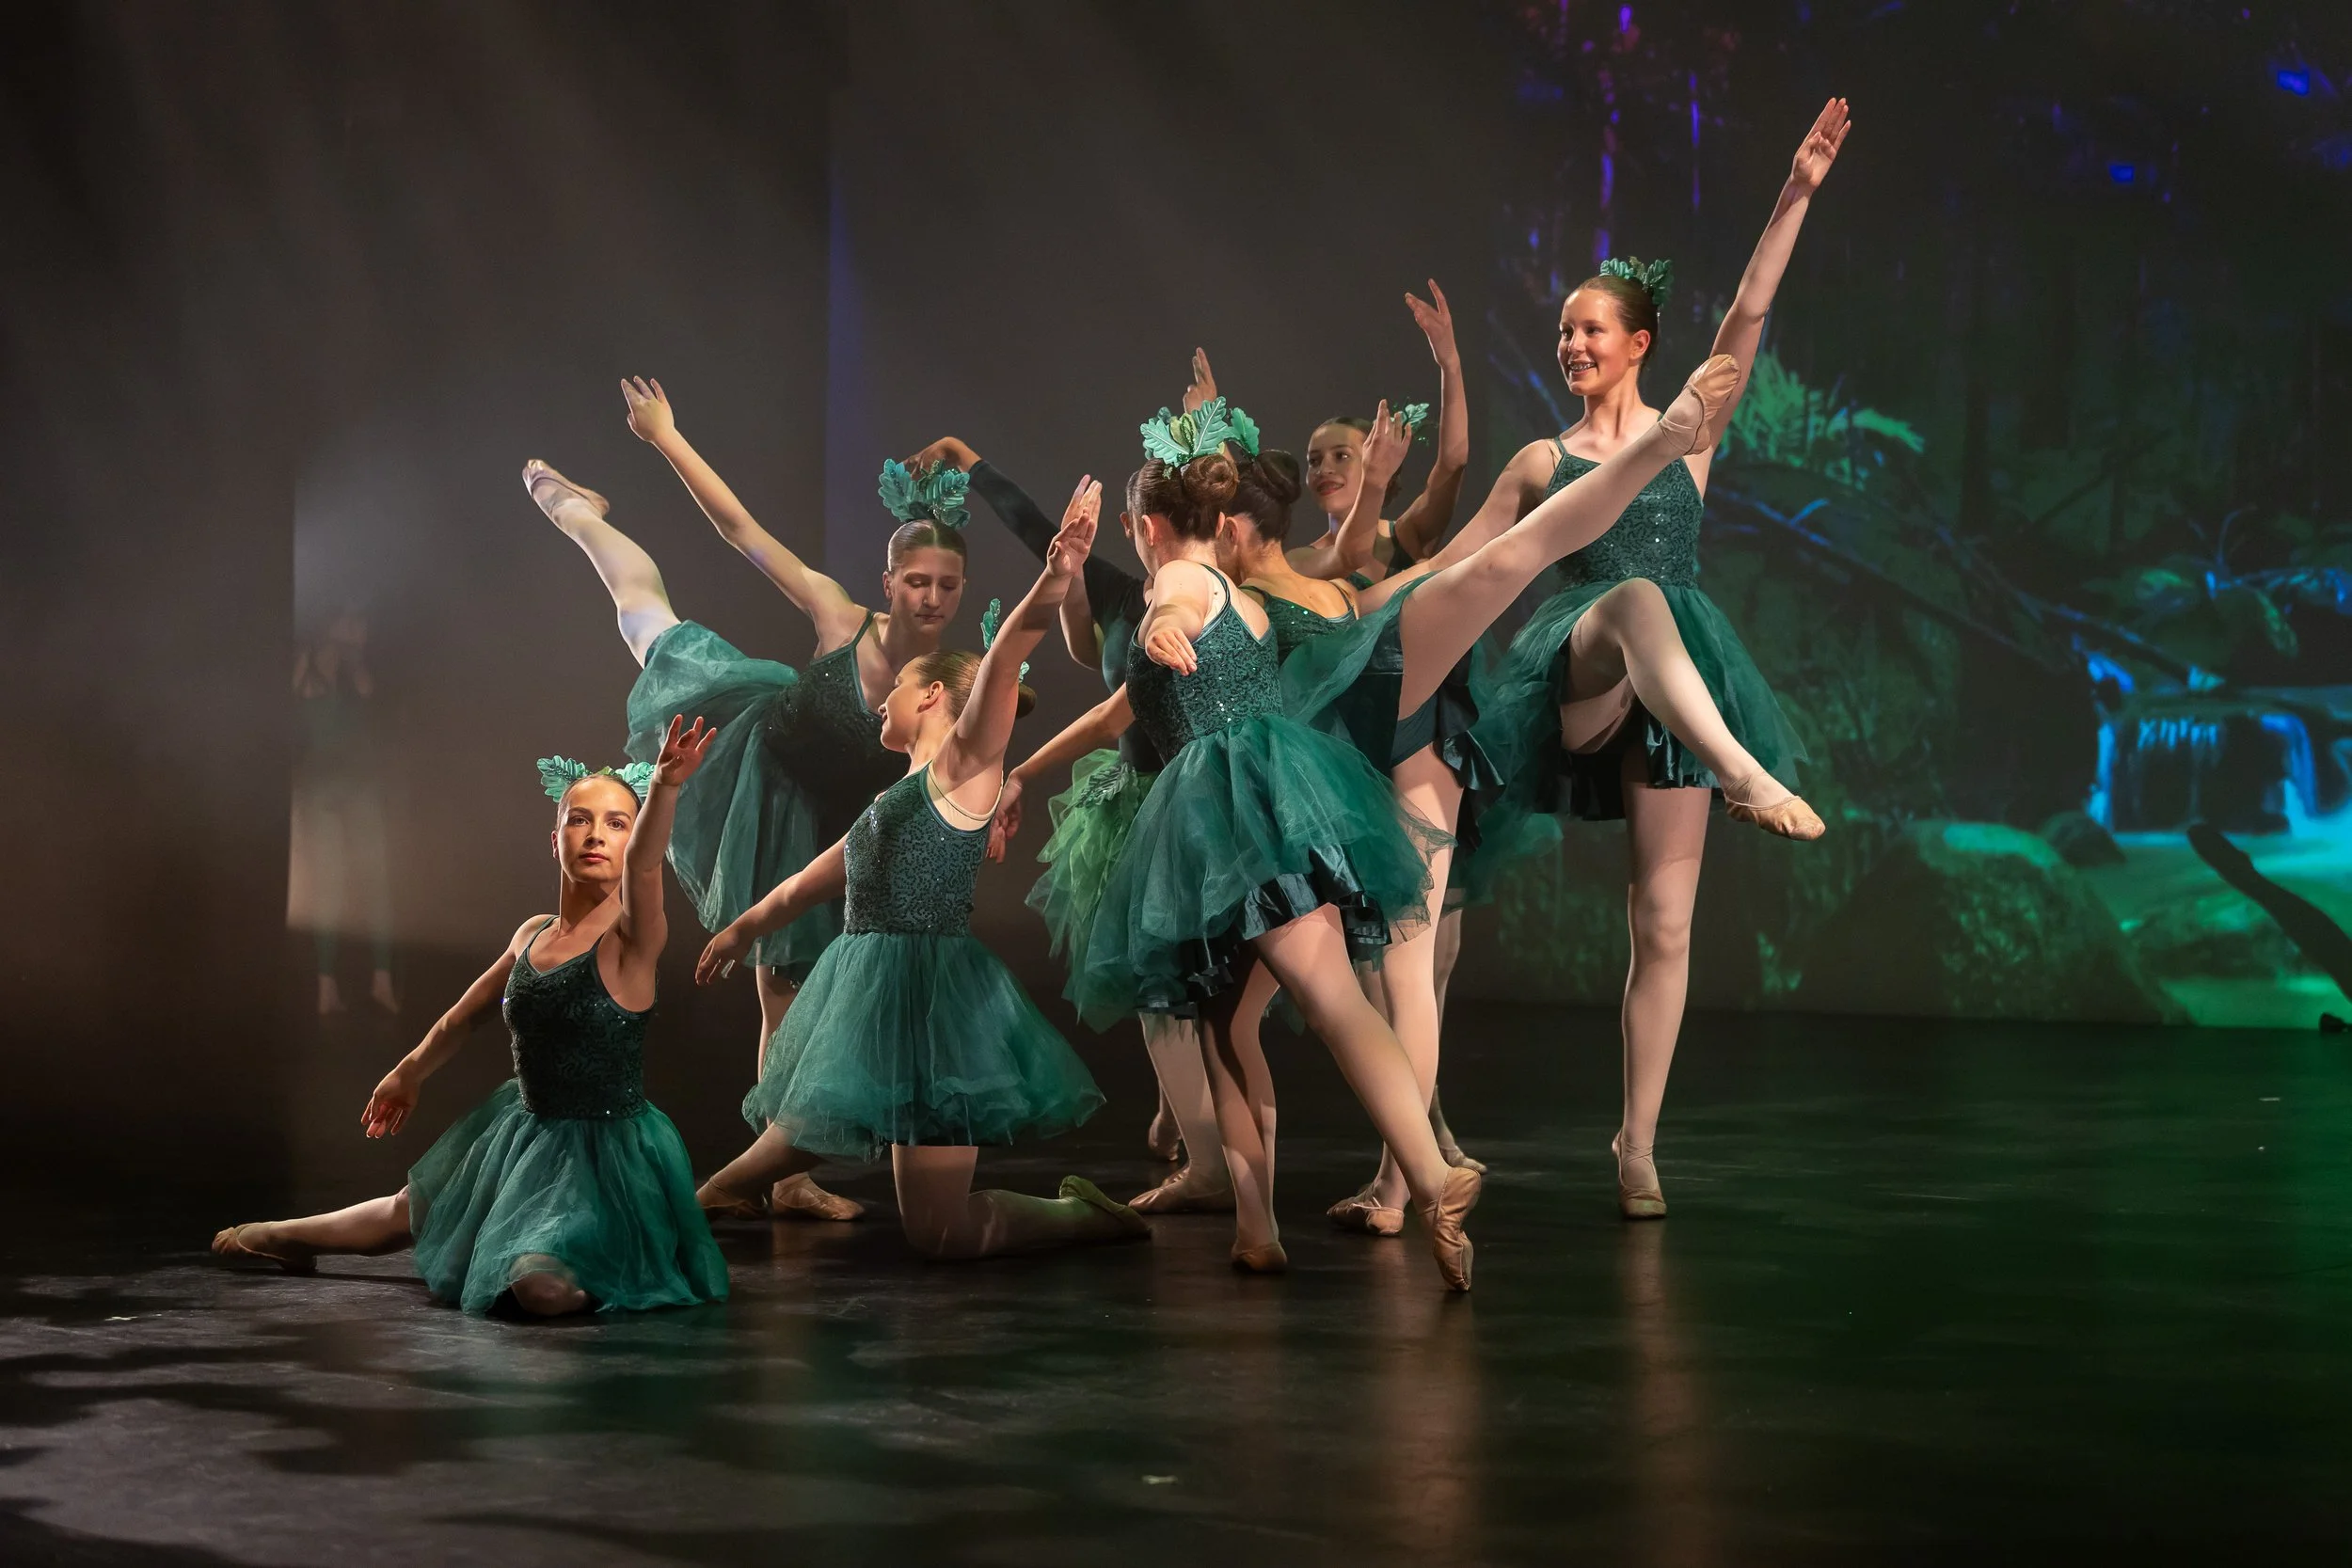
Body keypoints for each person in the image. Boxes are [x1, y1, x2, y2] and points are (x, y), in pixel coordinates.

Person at [1449, 99, 1853, 1218]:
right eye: (1563, 329)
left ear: (1640, 345)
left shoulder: (1689, 436)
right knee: (1628, 593)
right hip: (1575, 669)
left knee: (1664, 922)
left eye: (1593, 329)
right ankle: (1745, 774)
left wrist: (1795, 192)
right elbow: (1461, 569)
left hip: (1676, 684)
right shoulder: (1542, 457)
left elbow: (1748, 315)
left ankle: (1636, 1143)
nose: (1572, 343)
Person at [526, 376, 973, 1220]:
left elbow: (973, 747)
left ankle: (781, 1167)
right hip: (755, 759)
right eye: (917, 581)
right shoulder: (843, 617)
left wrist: (1008, 788)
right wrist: (664, 433)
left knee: (798, 987)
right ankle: (574, 511)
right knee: (643, 615)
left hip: (834, 816)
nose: (932, 600)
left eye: (947, 587)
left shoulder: (945, 677)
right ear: (889, 580)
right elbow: (741, 531)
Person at [691, 483, 1148, 1261]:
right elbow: (812, 880)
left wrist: (1059, 572)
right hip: (872, 988)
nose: (881, 703)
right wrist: (740, 928)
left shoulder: (964, 768)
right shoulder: (891, 796)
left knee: (944, 1234)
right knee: (831, 1137)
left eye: (898, 690)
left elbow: (1006, 654)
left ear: (933, 693)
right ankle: (720, 1188)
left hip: (937, 1006)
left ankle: (1088, 1217)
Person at [212, 719, 731, 1317]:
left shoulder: (631, 939)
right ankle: (282, 1236)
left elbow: (644, 870)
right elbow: (462, 1018)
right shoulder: (532, 934)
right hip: (523, 1129)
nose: (597, 836)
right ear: (554, 836)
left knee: (541, 1288)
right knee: (410, 1211)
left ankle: (603, 1274)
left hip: (605, 1154)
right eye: (580, 820)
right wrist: (408, 1072)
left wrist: (664, 787)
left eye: (618, 824)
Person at [904, 436, 1232, 1214]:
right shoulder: (1121, 594)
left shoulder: (1198, 594)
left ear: (1140, 523)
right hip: (1136, 797)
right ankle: (1193, 1130)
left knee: (1199, 983)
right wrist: (974, 464)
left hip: (1193, 803)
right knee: (1161, 975)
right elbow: (1039, 533)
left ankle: (1219, 1158)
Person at [294, 607, 398, 1018]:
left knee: (377, 885)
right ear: (333, 626)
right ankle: (326, 989)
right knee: (330, 889)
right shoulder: (307, 666)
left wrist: (352, 662)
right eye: (353, 623)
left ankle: (382, 982)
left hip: (359, 789)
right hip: (322, 790)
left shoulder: (358, 675)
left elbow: (374, 710)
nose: (362, 631)